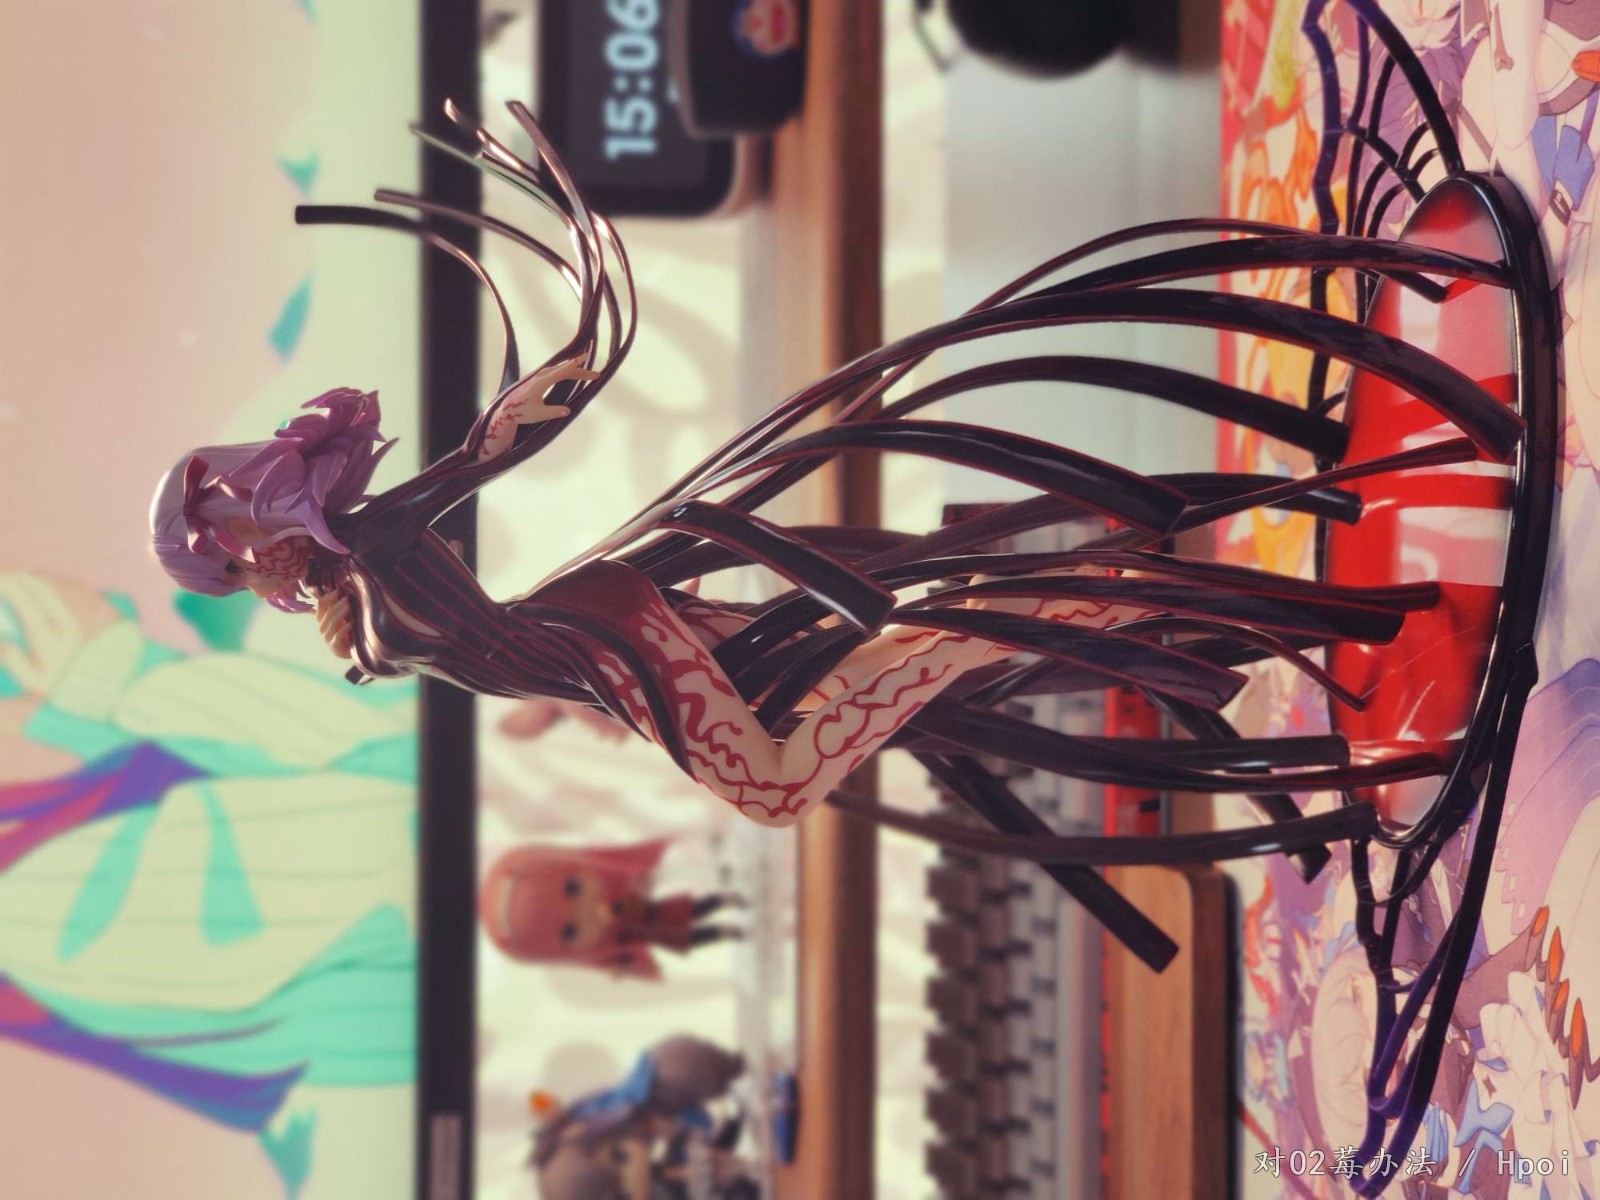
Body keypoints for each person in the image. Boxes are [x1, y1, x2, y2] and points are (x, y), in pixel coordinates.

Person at [480, 839, 740, 979]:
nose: (585, 911)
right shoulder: (614, 940)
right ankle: (725, 929)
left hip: (659, 914)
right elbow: (625, 958)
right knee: (691, 935)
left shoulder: (617, 900)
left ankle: (723, 902)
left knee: (692, 911)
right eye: (570, 932)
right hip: (658, 932)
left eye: (573, 887)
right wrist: (626, 965)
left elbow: (637, 891)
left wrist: (636, 886)